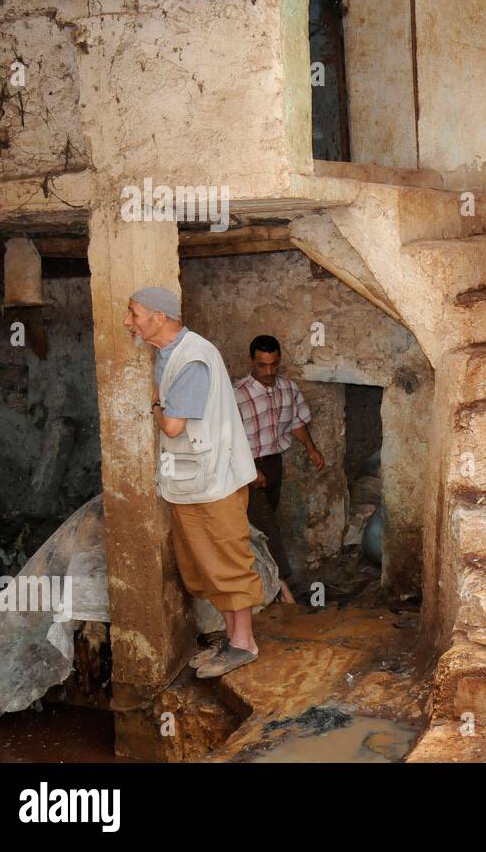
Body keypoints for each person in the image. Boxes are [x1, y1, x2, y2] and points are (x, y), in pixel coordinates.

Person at [123, 287, 262, 678]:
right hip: (193, 479)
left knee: (228, 563)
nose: (127, 322)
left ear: (159, 318)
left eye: (133, 313)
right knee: (206, 565)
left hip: (213, 481)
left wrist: (154, 403)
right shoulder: (169, 354)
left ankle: (244, 644)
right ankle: (233, 637)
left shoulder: (193, 359)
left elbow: (171, 424)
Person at [233, 335, 325, 603]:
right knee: (268, 527)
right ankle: (285, 588)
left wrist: (311, 448)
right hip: (248, 468)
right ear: (252, 361)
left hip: (274, 464)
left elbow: (296, 422)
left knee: (263, 526)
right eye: (262, 366)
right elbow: (230, 437)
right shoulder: (237, 394)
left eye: (274, 365)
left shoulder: (288, 388)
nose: (269, 372)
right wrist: (249, 469)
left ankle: (264, 583)